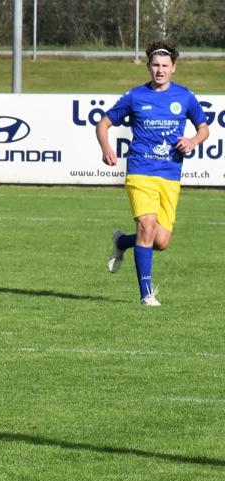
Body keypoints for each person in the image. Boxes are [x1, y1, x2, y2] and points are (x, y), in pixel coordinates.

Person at [97, 40, 209, 306]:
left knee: (160, 241)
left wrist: (193, 141)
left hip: (170, 175)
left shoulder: (185, 97)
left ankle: (122, 242)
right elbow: (103, 123)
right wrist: (106, 149)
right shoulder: (135, 96)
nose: (160, 70)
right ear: (148, 67)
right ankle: (146, 294)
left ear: (174, 68)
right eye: (155, 65)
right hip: (140, 171)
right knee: (146, 226)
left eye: (165, 66)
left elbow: (204, 128)